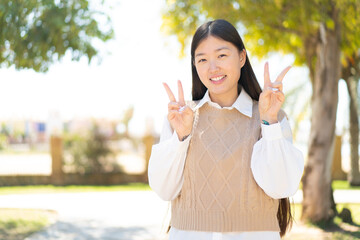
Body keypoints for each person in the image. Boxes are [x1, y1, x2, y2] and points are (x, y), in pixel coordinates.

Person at [148, 19, 304, 240]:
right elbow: (164, 189)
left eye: (221, 55)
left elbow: (282, 186)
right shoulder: (181, 118)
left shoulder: (271, 116)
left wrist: (269, 122)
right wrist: (181, 137)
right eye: (202, 60)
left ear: (242, 57)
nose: (213, 68)